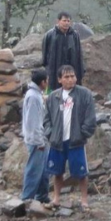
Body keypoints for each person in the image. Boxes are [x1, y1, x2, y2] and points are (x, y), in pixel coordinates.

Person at [44, 65, 97, 210]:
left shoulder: (84, 94)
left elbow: (90, 117)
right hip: (57, 141)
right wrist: (50, 133)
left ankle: (84, 200)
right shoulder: (53, 97)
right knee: (57, 172)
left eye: (72, 76)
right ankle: (56, 198)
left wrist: (83, 133)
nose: (70, 79)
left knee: (81, 172)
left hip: (75, 141)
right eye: (66, 77)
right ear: (60, 80)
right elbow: (46, 118)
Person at [21, 68, 50, 203]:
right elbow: (33, 122)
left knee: (43, 170)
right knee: (34, 170)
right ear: (43, 82)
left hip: (39, 138)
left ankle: (42, 197)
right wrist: (40, 142)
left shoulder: (35, 94)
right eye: (47, 80)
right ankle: (27, 199)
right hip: (36, 140)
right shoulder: (33, 97)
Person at [42, 12, 84, 89]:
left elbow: (79, 53)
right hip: (55, 67)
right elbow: (45, 55)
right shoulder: (50, 35)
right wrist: (48, 69)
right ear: (58, 21)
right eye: (64, 21)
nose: (66, 23)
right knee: (56, 90)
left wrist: (80, 69)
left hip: (72, 66)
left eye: (68, 21)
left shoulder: (74, 35)